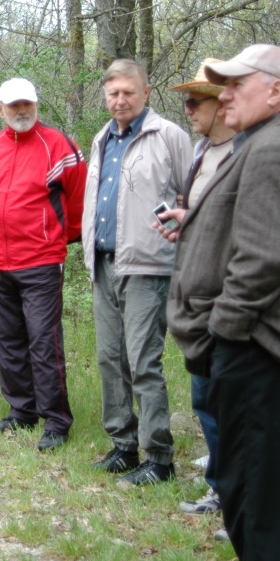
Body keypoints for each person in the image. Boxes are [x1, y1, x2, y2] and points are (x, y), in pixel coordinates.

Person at [166, 44, 280, 561]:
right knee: (250, 498)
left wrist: (223, 333)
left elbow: (262, 259)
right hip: (253, 353)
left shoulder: (274, 147)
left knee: (257, 509)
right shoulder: (266, 141)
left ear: (276, 91)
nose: (223, 94)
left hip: (257, 353)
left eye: (236, 84)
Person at [82, 59, 192, 484]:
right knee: (110, 358)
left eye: (129, 92)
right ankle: (123, 446)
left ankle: (159, 458)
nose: (120, 100)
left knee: (143, 361)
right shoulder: (101, 139)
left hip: (148, 267)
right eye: (113, 93)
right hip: (105, 262)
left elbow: (196, 195)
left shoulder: (168, 136)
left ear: (146, 92)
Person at [0, 78, 85, 451]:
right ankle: (21, 411)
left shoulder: (58, 146)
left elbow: (78, 203)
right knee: (8, 339)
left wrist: (53, 238)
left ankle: (56, 420)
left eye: (27, 104)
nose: (21, 111)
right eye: (13, 105)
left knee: (43, 342)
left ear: (36, 105)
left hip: (40, 261)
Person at [155, 60, 236, 517]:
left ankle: (242, 499)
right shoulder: (201, 153)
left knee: (234, 403)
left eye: (194, 101)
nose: (187, 110)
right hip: (197, 299)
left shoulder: (247, 153)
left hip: (233, 300)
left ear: (222, 104)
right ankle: (221, 489)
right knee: (205, 398)